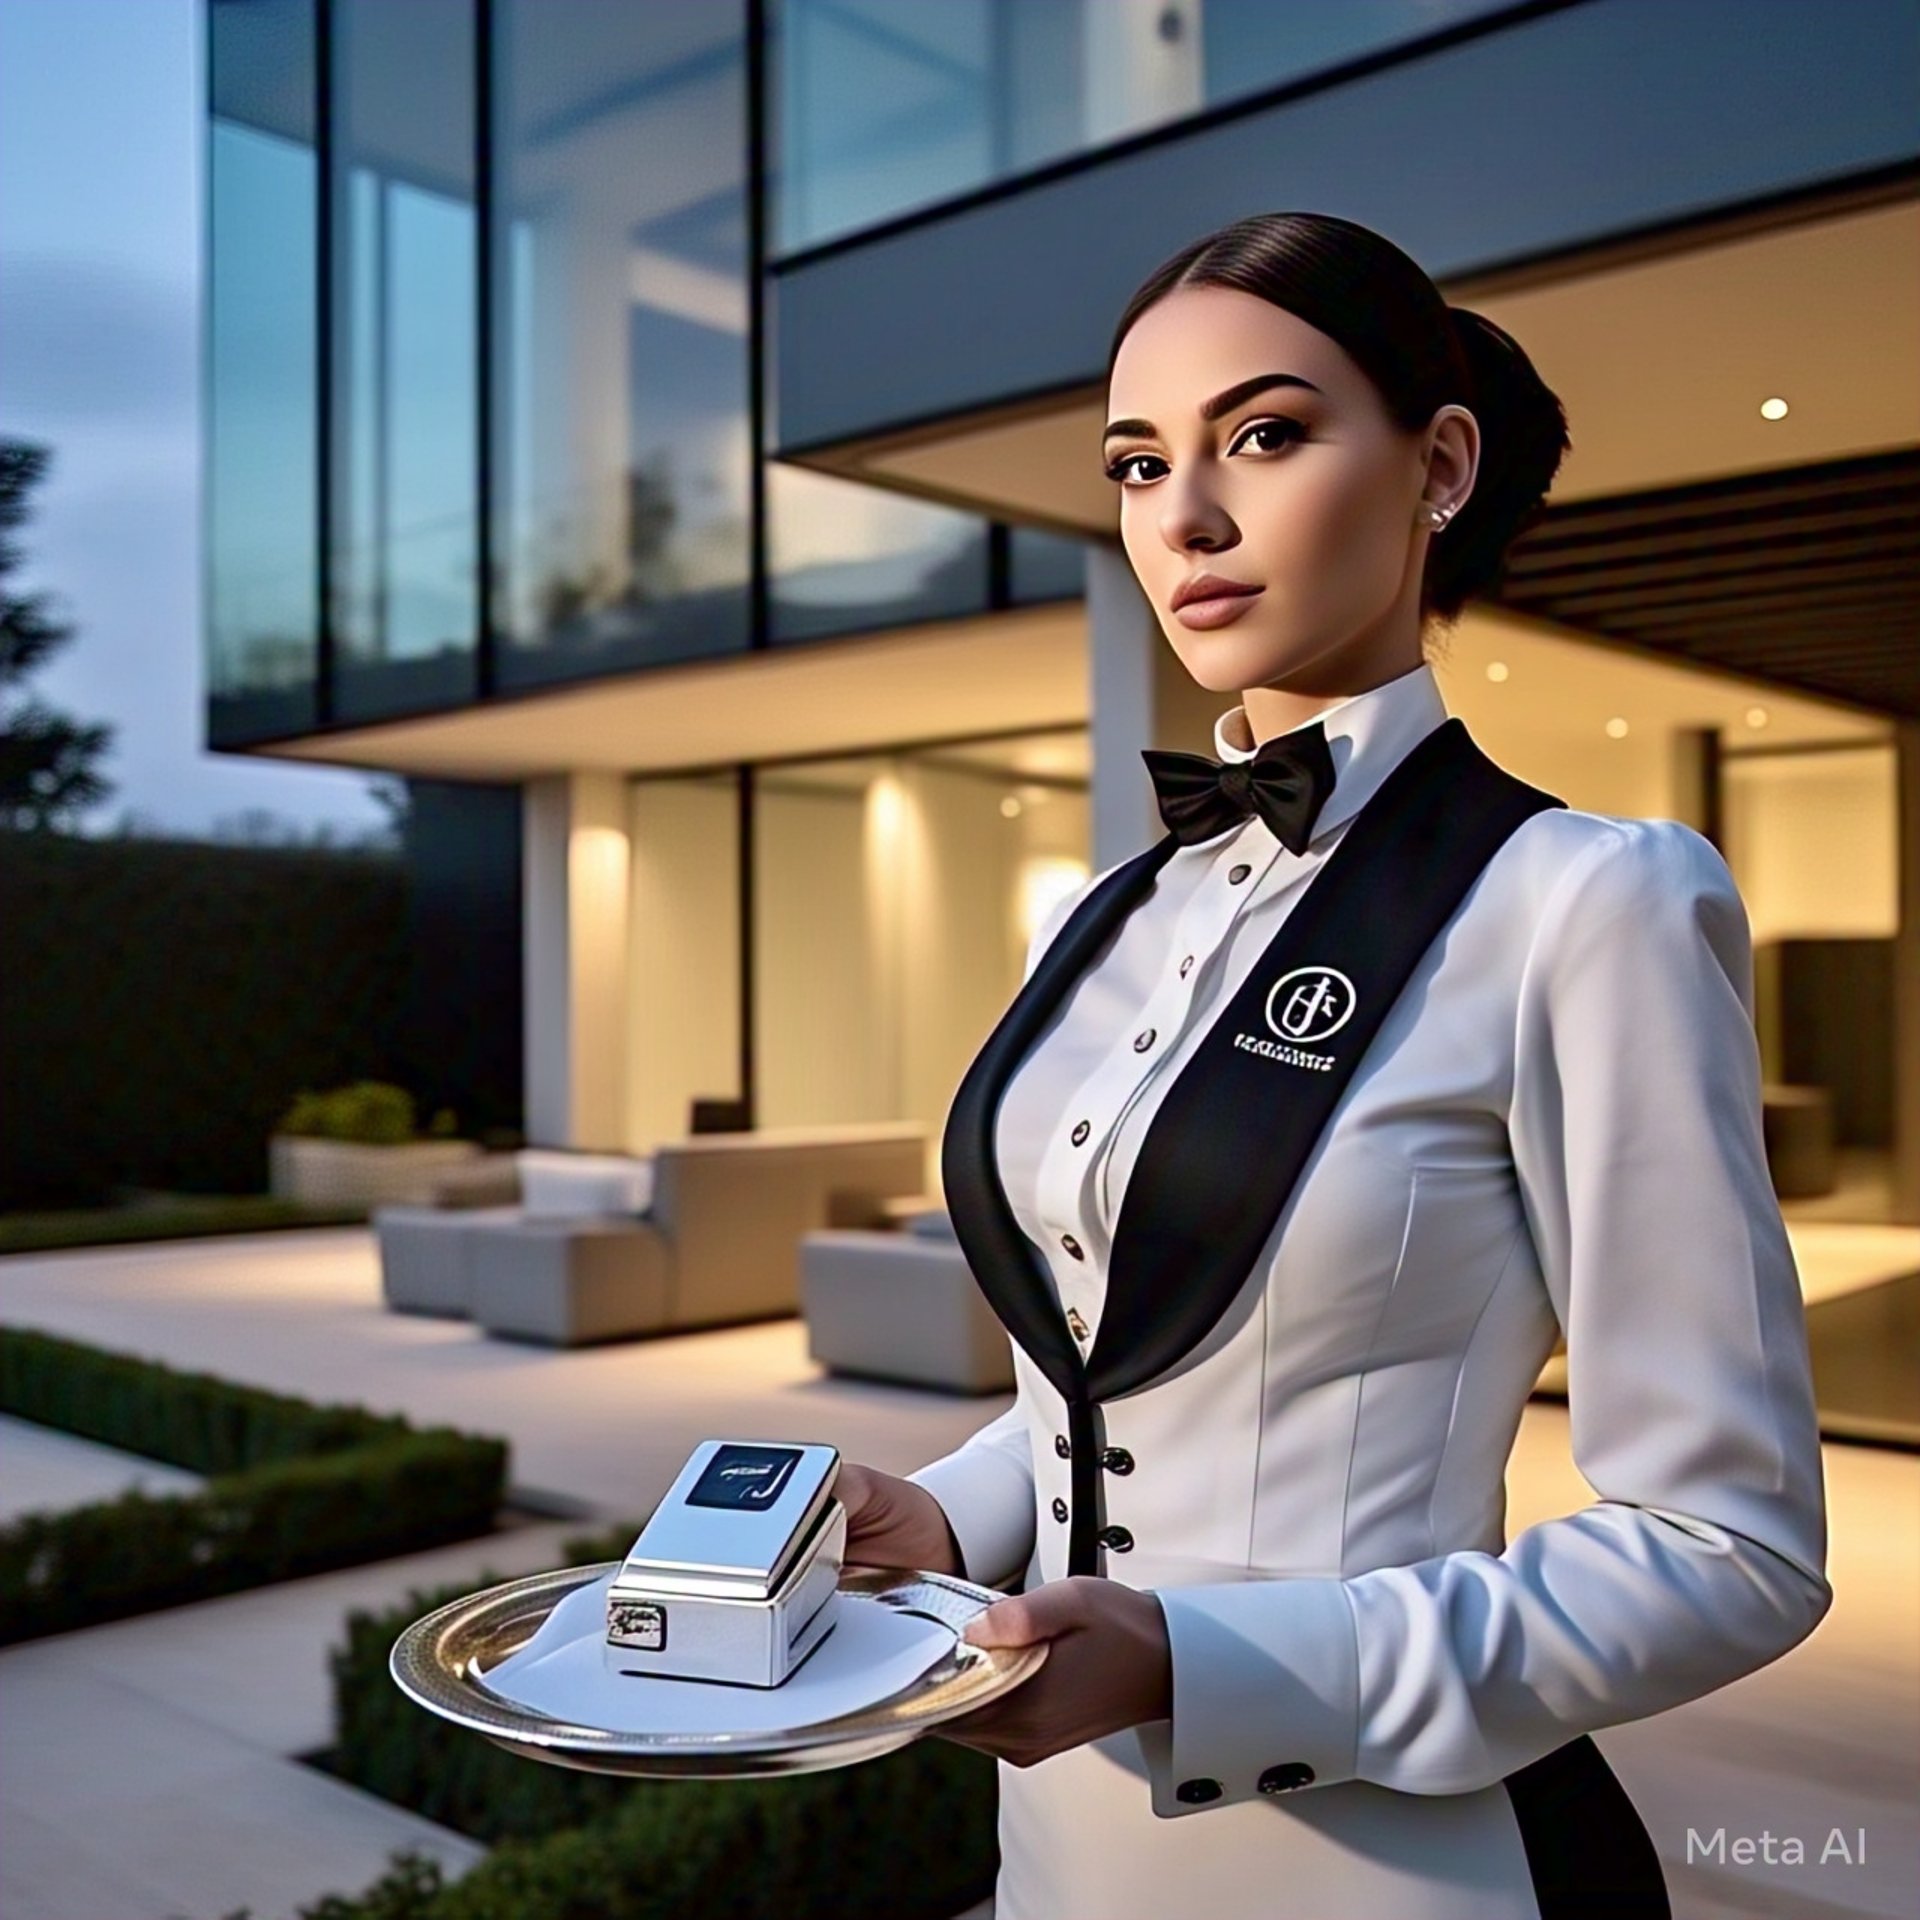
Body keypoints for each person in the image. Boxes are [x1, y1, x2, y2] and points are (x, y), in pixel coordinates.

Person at [833, 211, 1830, 1920]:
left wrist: (1195, 1664)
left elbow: (1728, 1546)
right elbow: (1084, 1407)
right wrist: (940, 1520)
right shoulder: (1100, 915)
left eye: (1266, 436)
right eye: (1140, 466)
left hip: (1402, 1863)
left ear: (1440, 465)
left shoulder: (1588, 898)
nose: (1188, 518)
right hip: (1063, 1851)